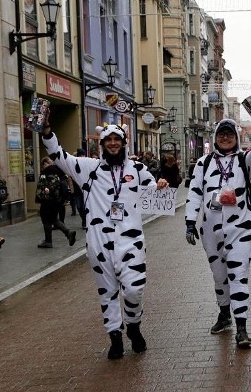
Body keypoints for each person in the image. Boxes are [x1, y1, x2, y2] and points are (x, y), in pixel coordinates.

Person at [39, 122, 169, 360]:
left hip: (132, 241)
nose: (112, 143)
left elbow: (154, 192)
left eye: (116, 139)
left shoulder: (138, 168)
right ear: (101, 144)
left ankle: (133, 325)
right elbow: (59, 156)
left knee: (134, 288)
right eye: (107, 140)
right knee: (107, 292)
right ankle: (115, 337)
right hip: (99, 242)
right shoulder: (89, 168)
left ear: (123, 143)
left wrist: (160, 186)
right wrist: (47, 133)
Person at [185, 117, 251, 349]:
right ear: (215, 138)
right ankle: (224, 314)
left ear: (235, 137)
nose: (225, 138)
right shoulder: (203, 163)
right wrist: (190, 222)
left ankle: (241, 328)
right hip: (211, 232)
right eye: (221, 134)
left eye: (229, 134)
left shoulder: (245, 160)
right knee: (219, 276)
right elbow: (194, 193)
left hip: (240, 228)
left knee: (238, 275)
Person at [35, 157, 77, 249]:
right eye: (43, 164)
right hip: (56, 201)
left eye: (45, 164)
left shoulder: (49, 172)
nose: (44, 166)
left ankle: (48, 241)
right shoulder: (58, 171)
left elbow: (52, 185)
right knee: (54, 219)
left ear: (48, 164)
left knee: (46, 220)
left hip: (48, 201)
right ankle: (68, 233)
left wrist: (47, 190)